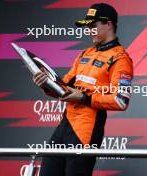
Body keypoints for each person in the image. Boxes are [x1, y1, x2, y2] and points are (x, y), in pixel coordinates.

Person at [33, 3, 133, 176]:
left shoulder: (120, 58)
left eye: (93, 26)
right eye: (87, 27)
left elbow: (120, 100)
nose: (89, 30)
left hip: (86, 131)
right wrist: (45, 83)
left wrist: (84, 98)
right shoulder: (84, 54)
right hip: (65, 126)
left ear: (108, 24)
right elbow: (62, 87)